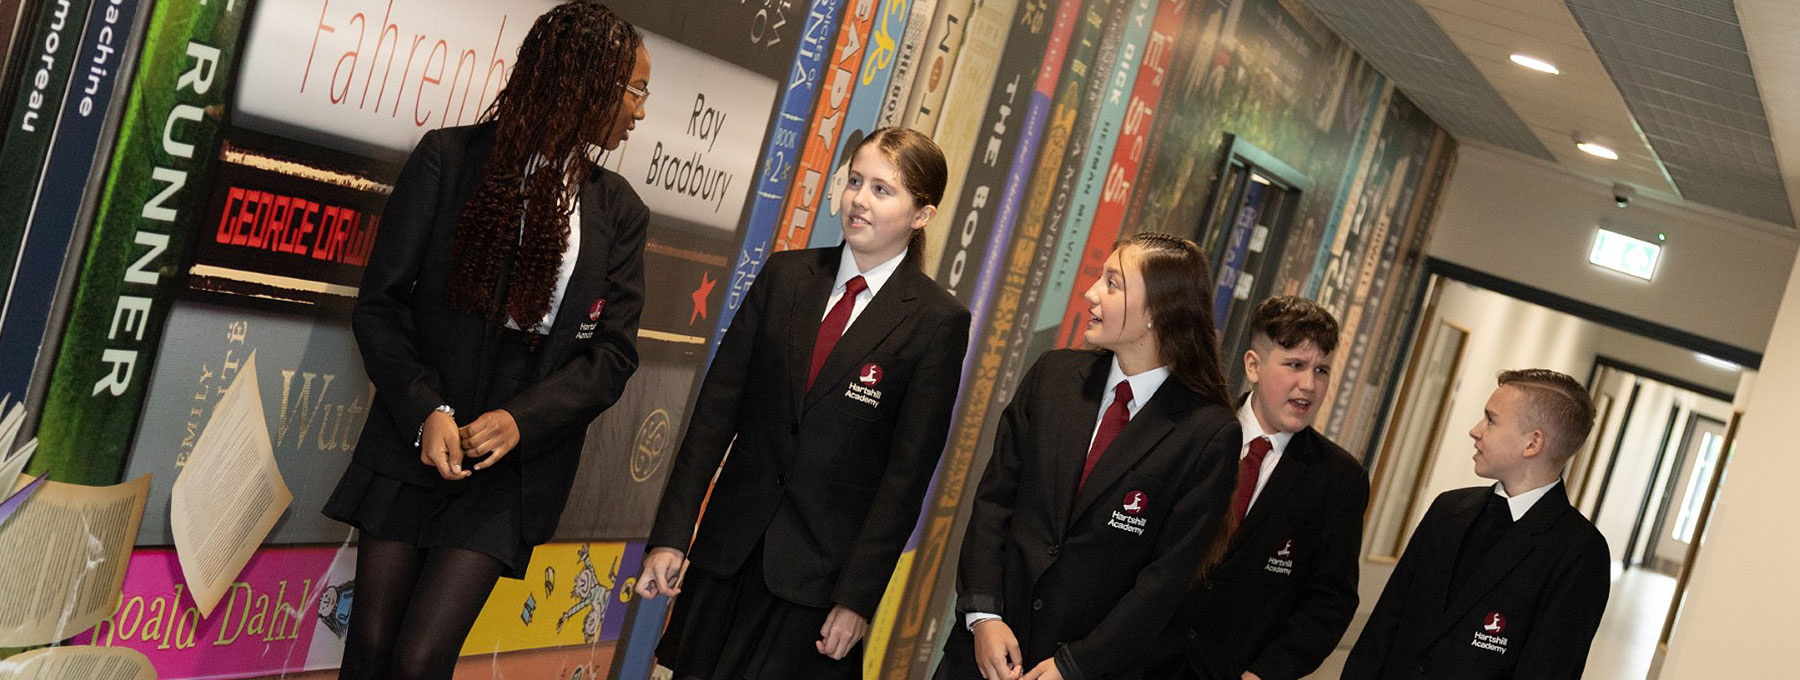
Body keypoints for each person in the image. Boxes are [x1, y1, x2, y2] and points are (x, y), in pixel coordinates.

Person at [320, 5, 651, 679]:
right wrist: (426, 411)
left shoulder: (619, 210)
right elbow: (380, 306)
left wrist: (520, 421)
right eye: (635, 90)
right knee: (372, 646)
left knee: (420, 658)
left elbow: (611, 356)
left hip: (512, 459)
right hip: (416, 428)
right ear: (585, 84)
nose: (640, 111)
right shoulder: (448, 159)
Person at [637, 127, 971, 680]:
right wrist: (671, 537)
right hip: (728, 554)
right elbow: (713, 418)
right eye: (855, 181)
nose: (859, 199)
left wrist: (857, 599)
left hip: (817, 583)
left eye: (882, 190)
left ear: (922, 215)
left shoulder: (937, 322)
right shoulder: (785, 276)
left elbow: (905, 480)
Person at [936, 232, 1241, 680]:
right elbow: (994, 501)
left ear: (1157, 310)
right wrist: (983, 616)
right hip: (985, 653)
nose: (1091, 293)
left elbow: (1164, 580)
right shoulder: (1053, 376)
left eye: (1113, 284)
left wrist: (1075, 665)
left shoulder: (1207, 434)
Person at [1146, 296, 1368, 680]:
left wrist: (1267, 673)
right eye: (1295, 365)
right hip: (1141, 662)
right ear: (1253, 365)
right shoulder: (1193, 433)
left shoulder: (1339, 479)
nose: (1309, 385)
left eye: (1321, 370)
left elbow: (1330, 601)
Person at [1342, 369, 1610, 680]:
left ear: (1533, 443)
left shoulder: (1579, 551)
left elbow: (1548, 669)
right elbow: (1384, 626)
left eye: (1491, 420)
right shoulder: (1448, 510)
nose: (1475, 430)